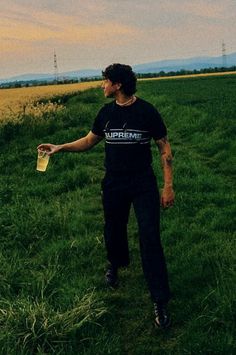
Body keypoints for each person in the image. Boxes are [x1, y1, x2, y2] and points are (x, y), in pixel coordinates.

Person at [37, 63, 175, 329]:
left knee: (150, 236)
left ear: (118, 85)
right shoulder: (106, 113)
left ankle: (160, 299)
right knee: (113, 228)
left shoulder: (147, 112)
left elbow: (164, 149)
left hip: (142, 183)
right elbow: (89, 141)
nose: (102, 85)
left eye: (105, 81)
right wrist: (60, 147)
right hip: (114, 182)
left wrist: (167, 186)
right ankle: (116, 263)